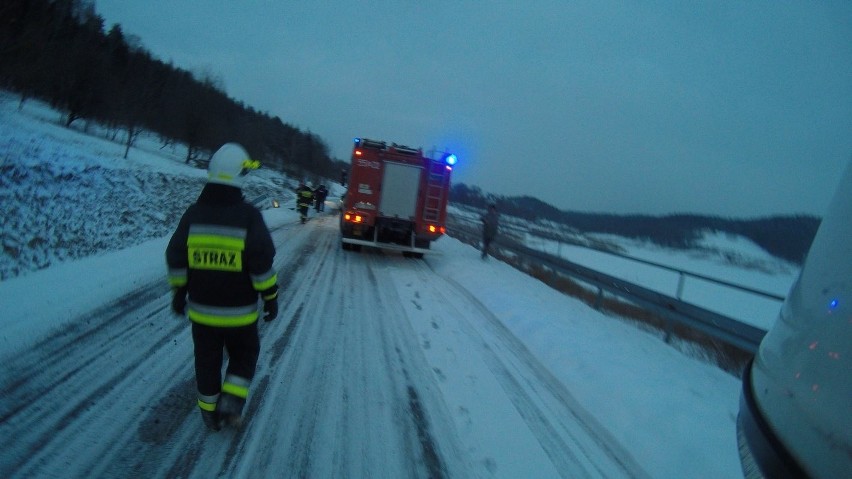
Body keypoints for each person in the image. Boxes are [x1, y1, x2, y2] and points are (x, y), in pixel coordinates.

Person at [166, 142, 279, 431]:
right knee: (244, 356)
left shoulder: (193, 214)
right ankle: (231, 404)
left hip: (202, 313)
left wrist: (179, 291)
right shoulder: (249, 217)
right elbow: (261, 264)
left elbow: (176, 254)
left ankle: (208, 412)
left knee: (206, 362)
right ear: (240, 176)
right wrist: (270, 296)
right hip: (240, 315)